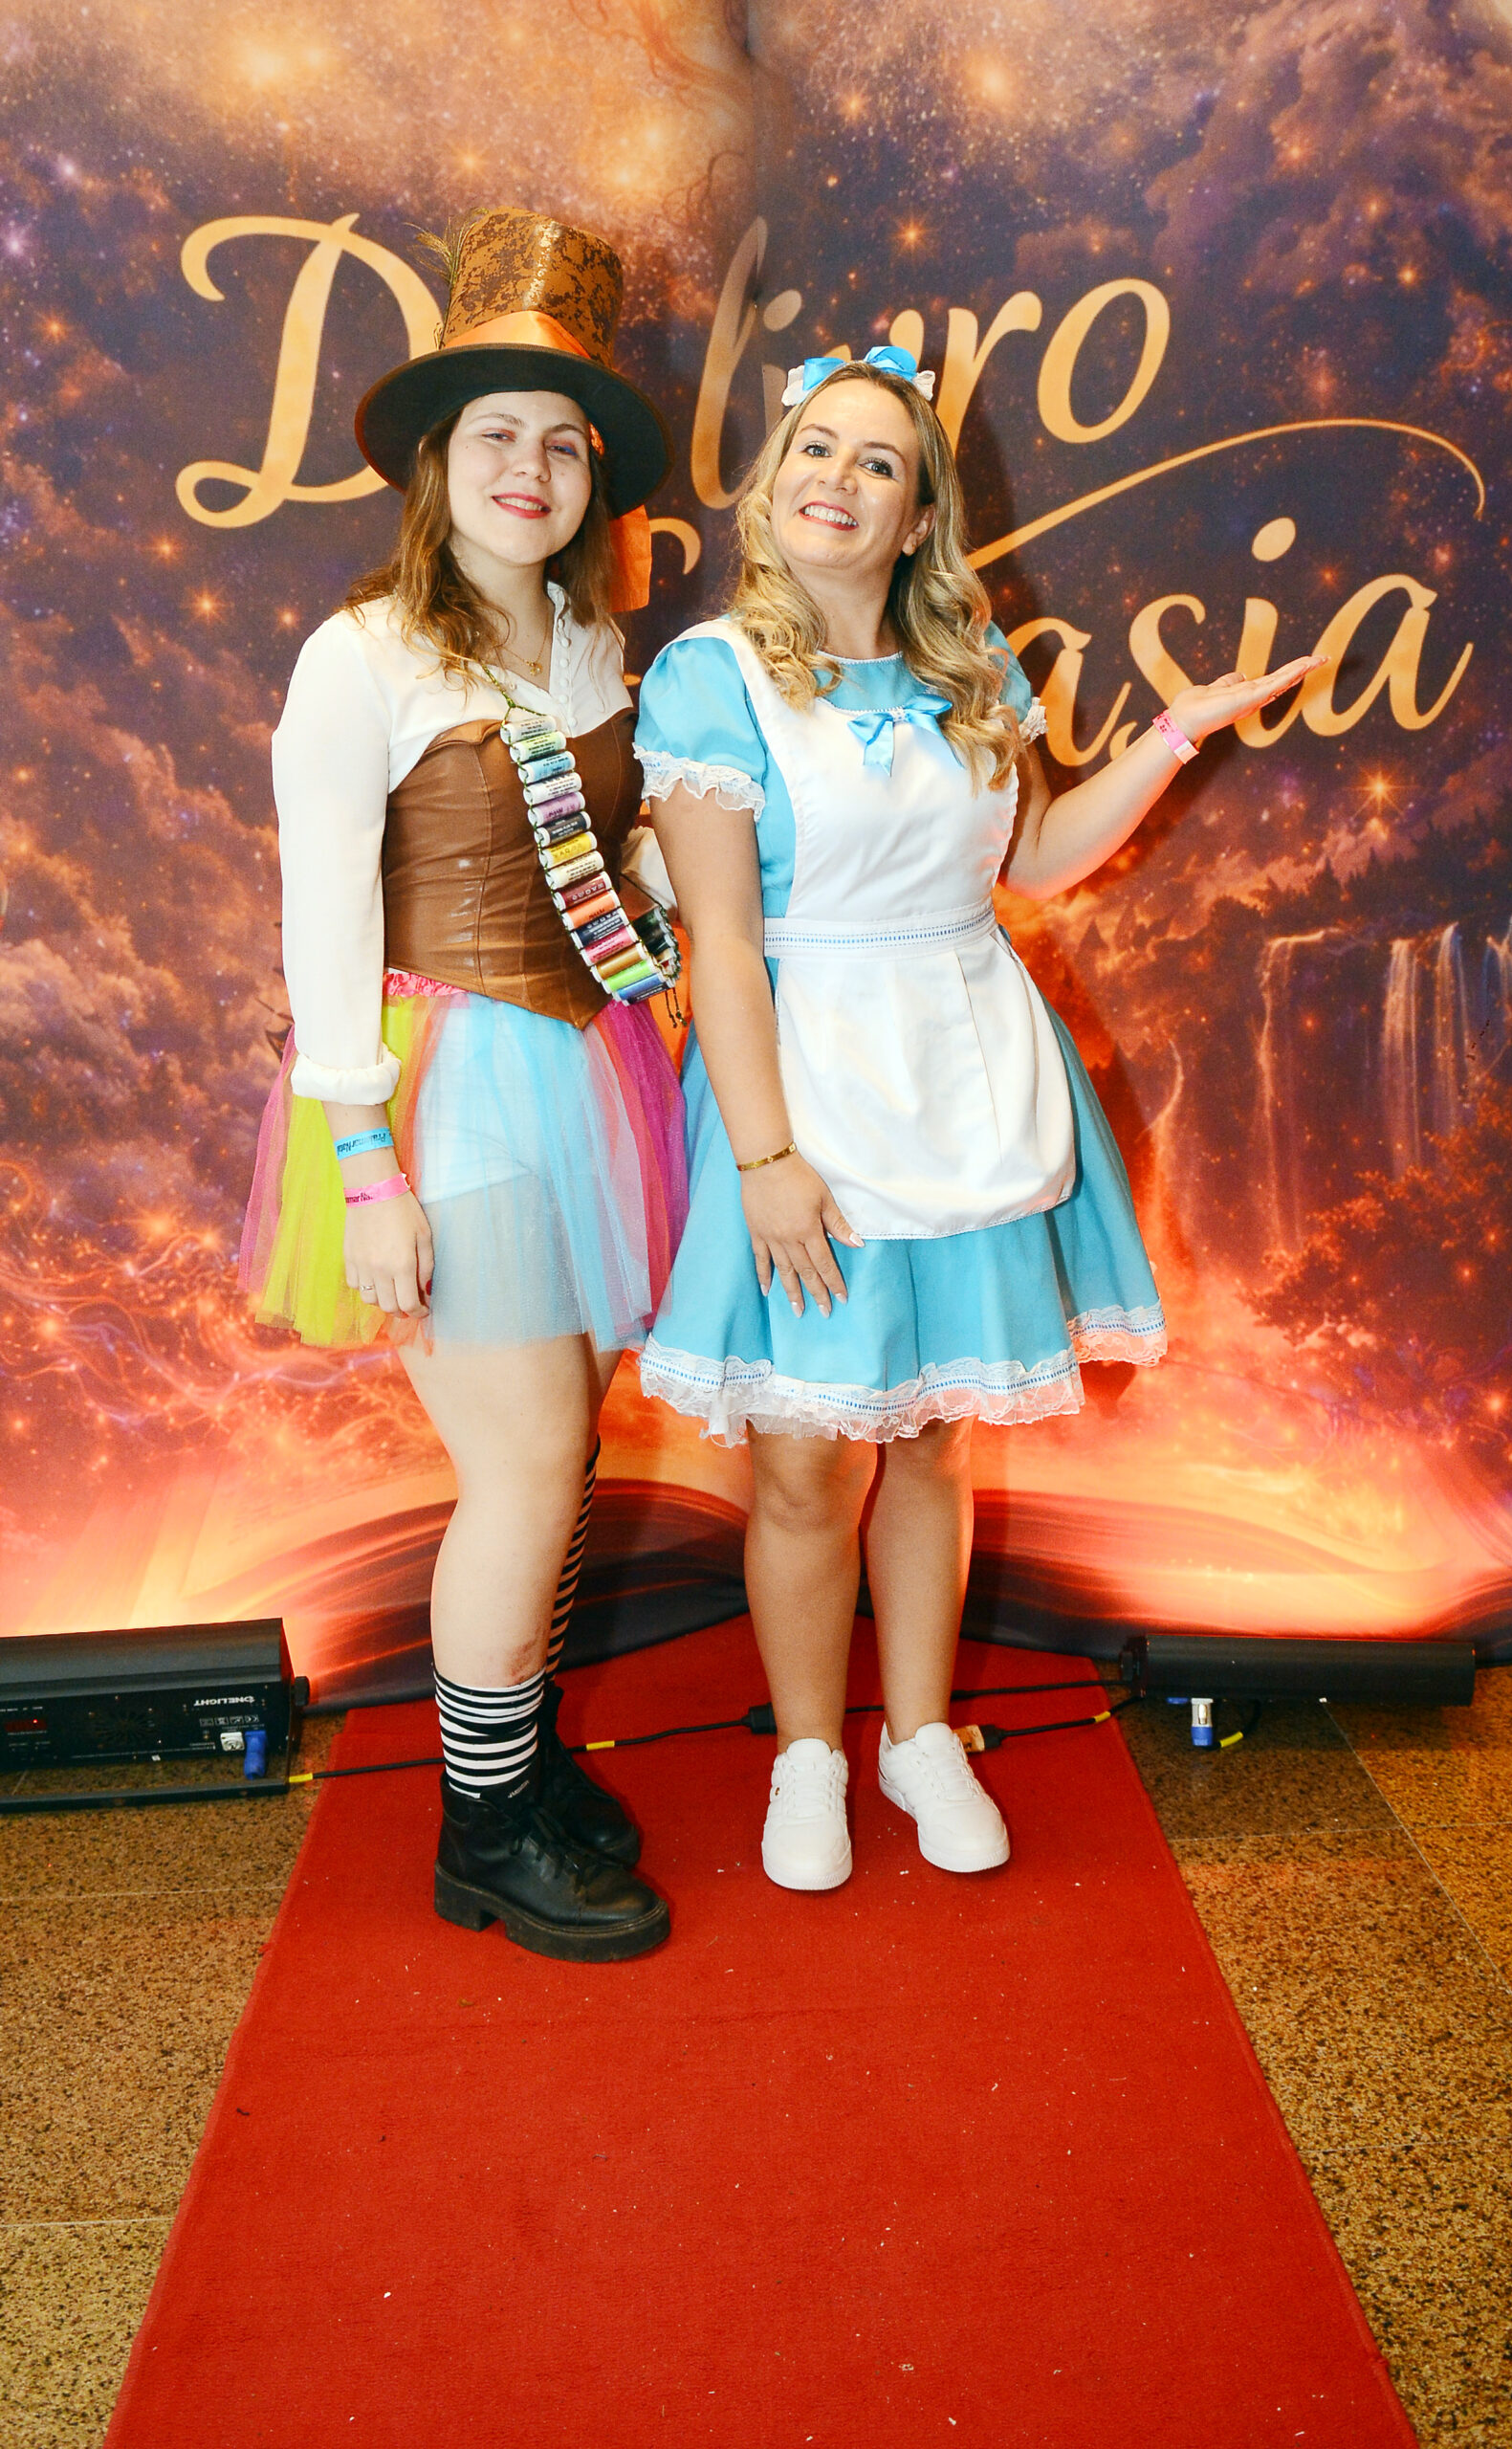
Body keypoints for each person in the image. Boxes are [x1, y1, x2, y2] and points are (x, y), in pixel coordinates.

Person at [635, 344, 1321, 1892]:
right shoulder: (708, 676)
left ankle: (917, 1736)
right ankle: (807, 1755)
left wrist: (1174, 733)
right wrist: (762, 1158)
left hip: (969, 1071)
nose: (836, 478)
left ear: (918, 514)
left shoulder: (971, 664)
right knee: (807, 1458)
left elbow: (1040, 857)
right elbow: (720, 944)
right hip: (802, 1082)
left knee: (935, 1439)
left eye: (876, 461)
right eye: (816, 447)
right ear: (774, 478)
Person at [241, 209, 688, 1960]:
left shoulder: (593, 650)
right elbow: (323, 920)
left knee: (562, 1456)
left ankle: (521, 1767)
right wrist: (366, 1168)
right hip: (445, 1095)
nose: (530, 467)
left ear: (592, 482)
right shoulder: (360, 654)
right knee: (527, 1463)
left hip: (592, 1075)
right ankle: (482, 1830)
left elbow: (610, 864)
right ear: (434, 461)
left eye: (564, 443)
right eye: (496, 432)